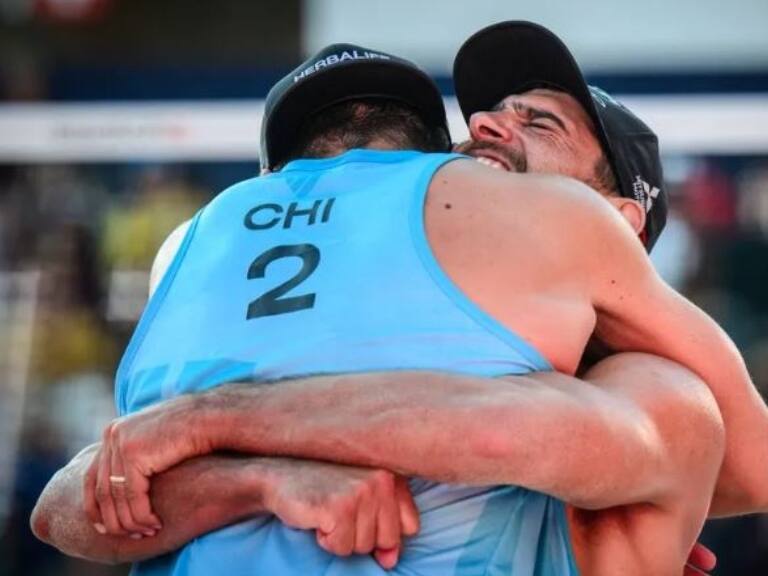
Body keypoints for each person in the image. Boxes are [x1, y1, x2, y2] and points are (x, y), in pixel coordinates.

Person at [31, 28, 764, 576]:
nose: (488, 127)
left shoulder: (657, 394)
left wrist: (209, 424)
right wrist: (262, 480)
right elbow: (79, 499)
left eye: (540, 123)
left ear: (619, 219)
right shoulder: (496, 346)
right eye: (482, 120)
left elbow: (501, 434)